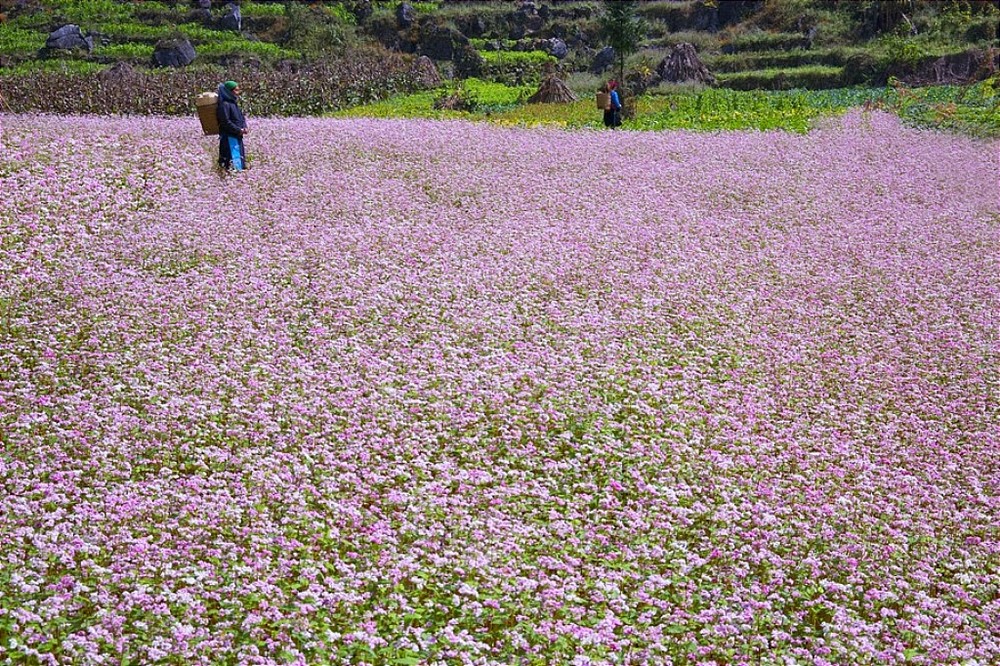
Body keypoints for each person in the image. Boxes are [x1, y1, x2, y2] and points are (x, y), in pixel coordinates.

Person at [216, 80, 248, 171]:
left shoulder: (233, 103)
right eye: (236, 90)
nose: (238, 93)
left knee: (239, 162)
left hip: (237, 136)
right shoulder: (224, 105)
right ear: (229, 91)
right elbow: (225, 122)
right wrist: (238, 130)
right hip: (229, 138)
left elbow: (241, 118)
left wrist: (244, 127)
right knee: (232, 164)